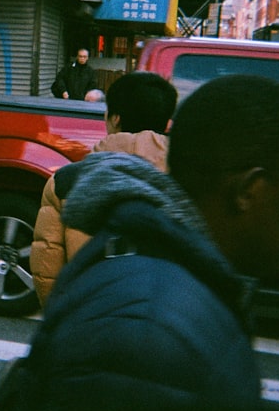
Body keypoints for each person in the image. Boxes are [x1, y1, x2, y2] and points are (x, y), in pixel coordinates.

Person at [0, 74, 279, 411]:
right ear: (249, 190)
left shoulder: (159, 277)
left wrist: (63, 311)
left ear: (115, 117)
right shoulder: (149, 335)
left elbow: (47, 262)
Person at [31, 71, 177, 306]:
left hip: (89, 322)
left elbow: (48, 275)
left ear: (115, 118)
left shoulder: (65, 182)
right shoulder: (189, 182)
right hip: (166, 325)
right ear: (167, 122)